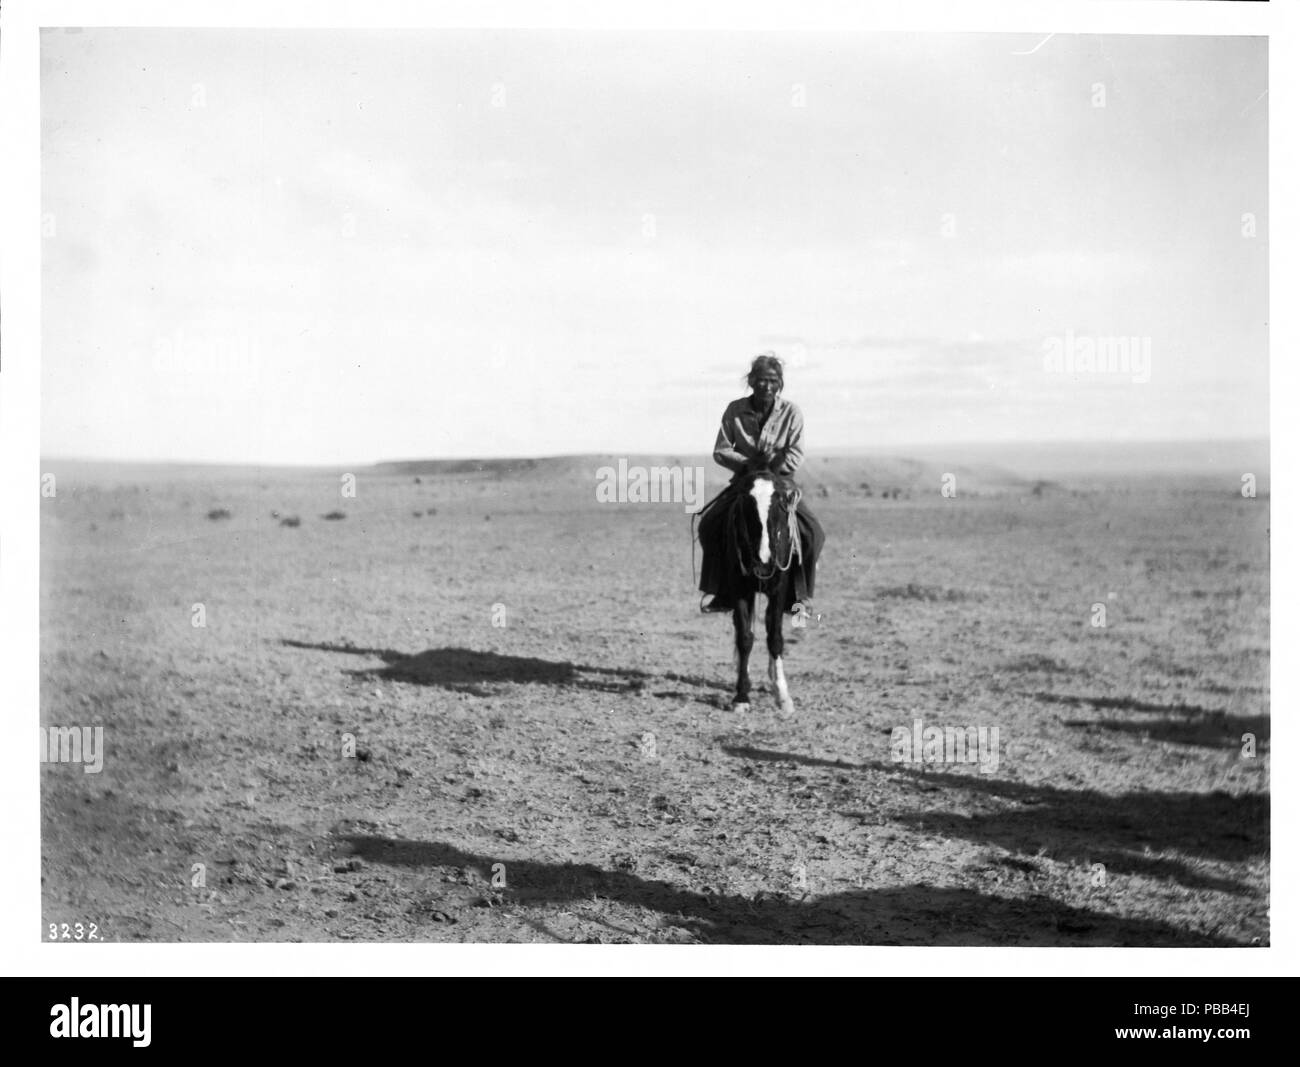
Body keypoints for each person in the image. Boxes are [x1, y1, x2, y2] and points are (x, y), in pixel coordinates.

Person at [698, 353, 824, 614]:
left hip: (780, 484)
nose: (766, 385)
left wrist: (772, 467)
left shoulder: (791, 412)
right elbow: (721, 450)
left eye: (772, 380)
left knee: (812, 533)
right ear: (751, 381)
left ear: (779, 384)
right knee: (709, 525)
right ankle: (721, 592)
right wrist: (749, 466)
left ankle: (800, 595)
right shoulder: (735, 410)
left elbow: (796, 453)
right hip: (745, 483)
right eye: (761, 379)